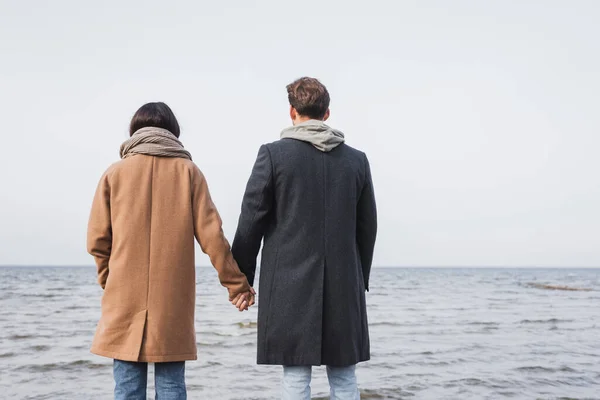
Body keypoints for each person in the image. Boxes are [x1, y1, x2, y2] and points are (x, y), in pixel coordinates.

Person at [87, 102, 255, 400]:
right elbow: (212, 237)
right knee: (171, 386)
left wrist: (108, 280)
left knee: (126, 388)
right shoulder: (189, 172)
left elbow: (98, 240)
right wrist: (236, 285)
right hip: (172, 298)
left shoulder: (115, 173)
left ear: (134, 132)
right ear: (173, 132)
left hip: (123, 295)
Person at [232, 77, 377, 400]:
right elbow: (368, 227)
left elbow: (251, 219)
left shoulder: (273, 155)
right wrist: (359, 278)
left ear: (292, 112)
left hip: (288, 286)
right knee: (344, 377)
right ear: (327, 114)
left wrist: (240, 279)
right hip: (344, 282)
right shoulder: (357, 160)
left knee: (296, 377)